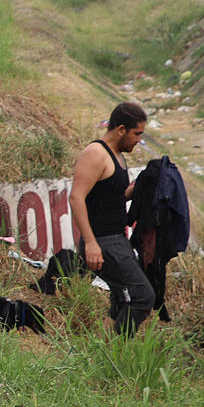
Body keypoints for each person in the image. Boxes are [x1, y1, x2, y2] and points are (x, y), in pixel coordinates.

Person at [68, 102, 154, 335]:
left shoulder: (117, 156)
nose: (138, 140)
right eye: (137, 134)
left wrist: (137, 189)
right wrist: (91, 242)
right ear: (121, 129)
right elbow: (77, 198)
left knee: (122, 299)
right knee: (143, 297)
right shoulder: (96, 153)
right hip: (103, 242)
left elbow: (110, 197)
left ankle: (103, 354)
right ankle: (119, 350)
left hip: (116, 239)